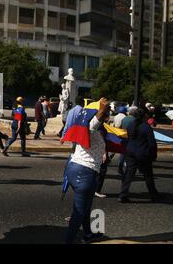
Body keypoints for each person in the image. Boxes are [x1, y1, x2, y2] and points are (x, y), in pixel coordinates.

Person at [65, 98, 109, 244]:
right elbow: (96, 120)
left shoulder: (81, 127)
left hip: (74, 169)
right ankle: (69, 240)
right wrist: (102, 108)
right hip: (85, 173)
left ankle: (88, 234)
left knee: (85, 207)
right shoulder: (89, 127)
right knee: (78, 212)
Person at [119, 107, 161, 203]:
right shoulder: (146, 127)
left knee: (128, 174)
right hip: (143, 154)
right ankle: (154, 195)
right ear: (145, 115)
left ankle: (123, 194)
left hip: (130, 152)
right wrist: (154, 155)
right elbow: (152, 143)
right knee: (148, 176)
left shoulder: (131, 124)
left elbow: (129, 137)